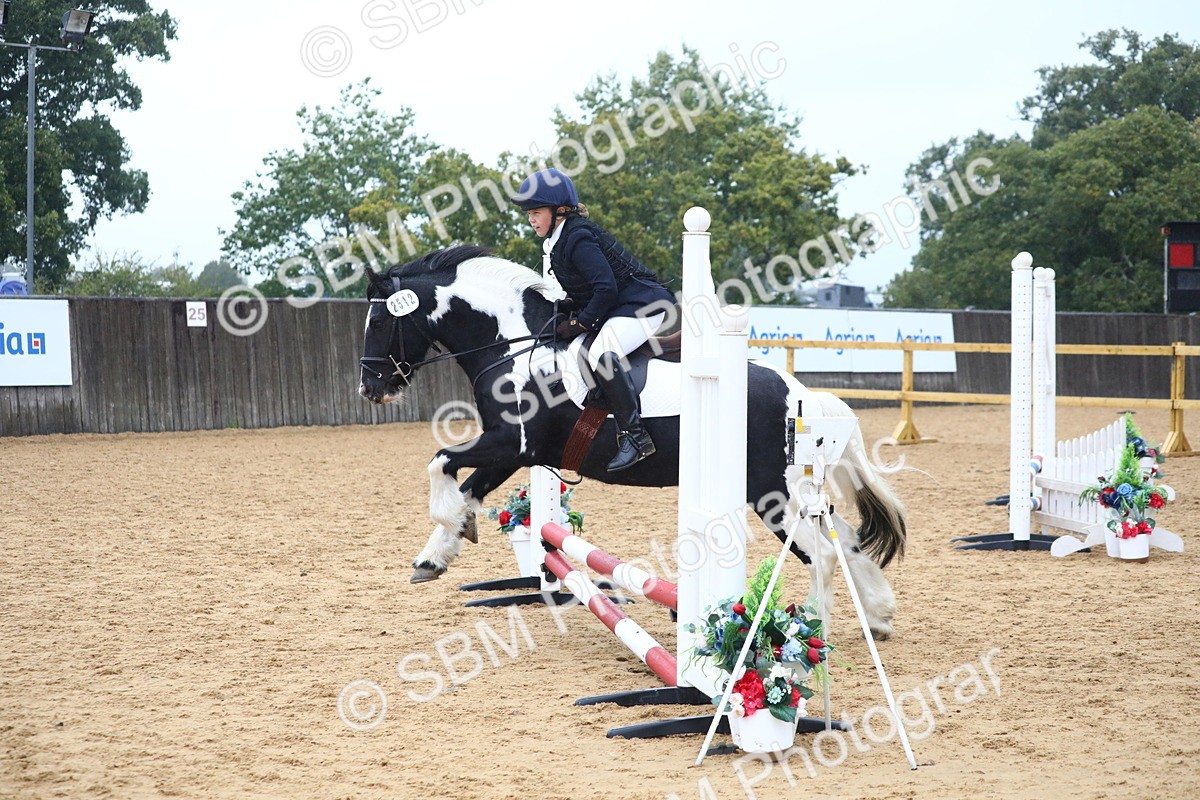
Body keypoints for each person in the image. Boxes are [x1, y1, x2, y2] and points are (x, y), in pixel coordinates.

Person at [513, 168, 675, 472]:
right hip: (620, 305)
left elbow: (605, 288)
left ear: (558, 211)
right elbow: (590, 290)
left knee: (602, 353)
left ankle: (637, 437)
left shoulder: (578, 237)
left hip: (644, 305)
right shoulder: (559, 239)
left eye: (535, 212)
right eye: (529, 213)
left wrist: (579, 324)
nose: (531, 219)